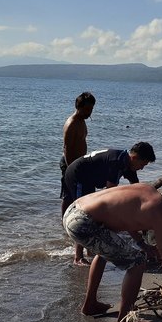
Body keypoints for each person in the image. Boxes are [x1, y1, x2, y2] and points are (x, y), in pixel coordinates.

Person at [63, 183, 162, 322]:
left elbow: (126, 216)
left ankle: (90, 305)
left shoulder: (148, 190)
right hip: (82, 222)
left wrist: (142, 244)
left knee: (104, 251)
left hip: (74, 209)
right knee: (138, 262)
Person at [62, 142, 156, 265]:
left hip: (89, 179)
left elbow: (138, 189)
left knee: (95, 212)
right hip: (78, 174)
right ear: (134, 158)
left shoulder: (129, 164)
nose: (142, 168)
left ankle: (90, 249)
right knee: (84, 214)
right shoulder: (116, 163)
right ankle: (78, 257)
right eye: (142, 164)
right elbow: (109, 195)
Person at [60, 92, 96, 264]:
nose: (90, 112)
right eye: (87, 109)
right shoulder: (72, 123)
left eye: (92, 109)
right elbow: (67, 148)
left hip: (79, 164)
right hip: (70, 165)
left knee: (69, 196)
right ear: (79, 107)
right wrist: (70, 169)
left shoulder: (82, 122)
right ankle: (68, 227)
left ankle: (67, 227)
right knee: (73, 198)